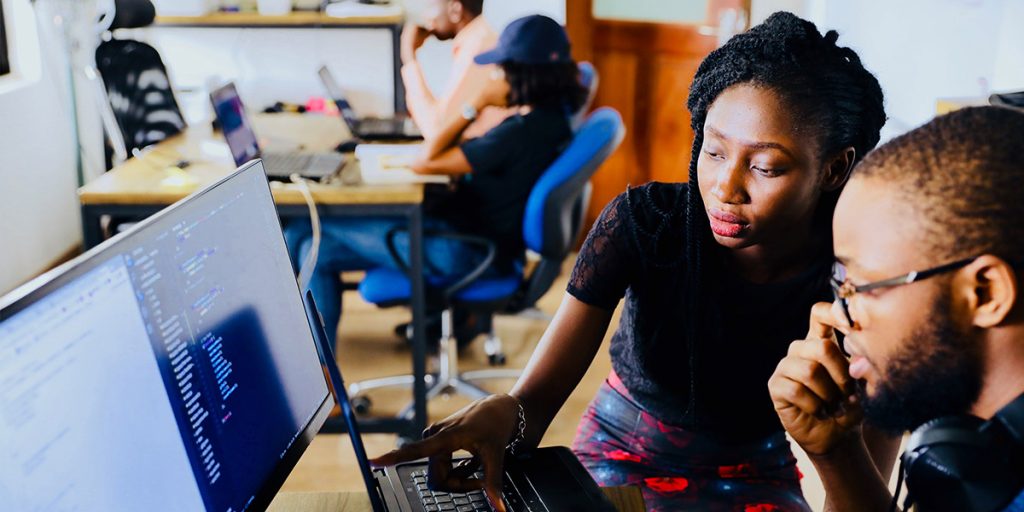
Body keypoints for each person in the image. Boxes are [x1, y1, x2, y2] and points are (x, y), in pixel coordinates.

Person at [370, 12, 892, 512]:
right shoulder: (644, 225)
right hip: (623, 446)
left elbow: (865, 496)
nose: (725, 189)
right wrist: (508, 413)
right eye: (713, 152)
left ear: (833, 167)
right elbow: (533, 404)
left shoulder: (865, 284)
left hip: (755, 468)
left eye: (764, 166)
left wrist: (833, 448)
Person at [768, 106, 1024, 511]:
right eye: (840, 282)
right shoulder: (981, 455)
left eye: (862, 285)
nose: (835, 312)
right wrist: (838, 455)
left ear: (985, 292)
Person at [285, 15, 588, 348]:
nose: (493, 75)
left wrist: (474, 105)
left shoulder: (519, 134)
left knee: (306, 234)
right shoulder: (553, 121)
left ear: (522, 74)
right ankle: (322, 370)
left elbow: (426, 159)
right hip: (478, 241)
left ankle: (316, 369)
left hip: (462, 250)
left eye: (500, 68)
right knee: (312, 244)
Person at [401, 0, 507, 139]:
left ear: (455, 10)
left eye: (430, 7)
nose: (425, 16)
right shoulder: (479, 39)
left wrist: (409, 57)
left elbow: (437, 131)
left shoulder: (477, 49)